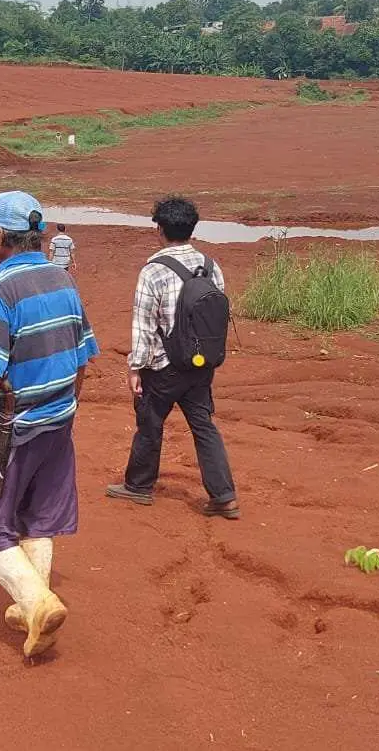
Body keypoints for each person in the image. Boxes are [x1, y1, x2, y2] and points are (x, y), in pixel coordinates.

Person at [0, 190, 98, 659]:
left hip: (15, 426)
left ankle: (37, 601)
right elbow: (83, 358)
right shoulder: (63, 279)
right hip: (59, 421)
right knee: (39, 517)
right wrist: (66, 408)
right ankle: (31, 609)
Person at [106, 196, 240, 519]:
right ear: (192, 228)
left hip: (163, 368)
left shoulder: (153, 271)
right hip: (200, 365)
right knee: (204, 427)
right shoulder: (211, 266)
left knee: (150, 422)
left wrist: (135, 367)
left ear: (160, 229)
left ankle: (138, 486)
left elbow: (144, 325)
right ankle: (224, 496)